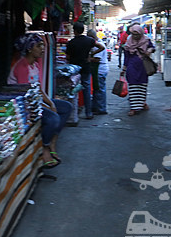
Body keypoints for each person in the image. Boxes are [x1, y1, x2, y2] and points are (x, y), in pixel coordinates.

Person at [8, 33, 72, 168]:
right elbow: (27, 96)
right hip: (23, 106)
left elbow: (37, 89)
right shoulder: (22, 67)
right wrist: (47, 107)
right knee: (53, 119)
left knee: (66, 107)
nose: (43, 48)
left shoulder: (35, 65)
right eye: (39, 46)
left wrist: (50, 102)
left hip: (34, 102)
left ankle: (53, 140)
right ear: (30, 49)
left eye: (42, 45)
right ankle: (45, 147)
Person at [66, 22, 105, 120]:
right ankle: (89, 112)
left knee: (73, 89)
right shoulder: (90, 40)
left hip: (74, 69)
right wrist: (91, 54)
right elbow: (102, 47)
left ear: (74, 31)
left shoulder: (71, 43)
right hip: (86, 67)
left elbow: (67, 57)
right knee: (87, 90)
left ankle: (73, 114)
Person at [120, 24, 155, 116]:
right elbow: (126, 57)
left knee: (142, 86)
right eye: (133, 34)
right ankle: (134, 107)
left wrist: (149, 50)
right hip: (132, 67)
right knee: (133, 86)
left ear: (141, 33)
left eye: (137, 34)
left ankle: (142, 103)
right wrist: (124, 68)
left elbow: (152, 48)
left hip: (143, 66)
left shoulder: (146, 40)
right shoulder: (129, 42)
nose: (135, 36)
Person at [87, 29, 109, 115]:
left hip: (100, 69)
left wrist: (88, 59)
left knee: (100, 89)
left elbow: (97, 59)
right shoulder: (96, 44)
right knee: (97, 89)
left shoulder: (98, 45)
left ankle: (101, 108)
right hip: (99, 69)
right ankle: (96, 107)